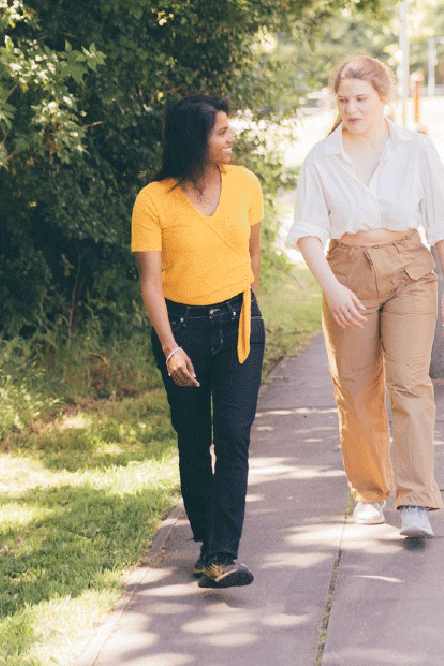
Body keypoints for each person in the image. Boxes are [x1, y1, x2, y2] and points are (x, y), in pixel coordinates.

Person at [288, 56, 444, 540]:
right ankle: (369, 492)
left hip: (409, 268)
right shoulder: (323, 157)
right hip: (347, 270)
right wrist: (333, 288)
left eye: (361, 99)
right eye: (343, 100)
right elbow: (307, 231)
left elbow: (443, 220)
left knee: (410, 384)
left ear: (384, 98)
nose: (351, 108)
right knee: (357, 387)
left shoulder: (415, 149)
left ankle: (415, 502)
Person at [131, 94, 265, 588]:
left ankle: (222, 553)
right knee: (193, 440)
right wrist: (170, 347)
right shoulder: (152, 199)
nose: (231, 138)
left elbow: (252, 260)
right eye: (221, 132)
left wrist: (243, 310)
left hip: (239, 325)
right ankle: (208, 541)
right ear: (195, 140)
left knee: (232, 436)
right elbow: (150, 281)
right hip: (180, 330)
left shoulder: (246, 183)